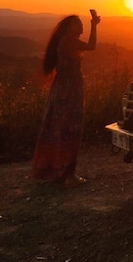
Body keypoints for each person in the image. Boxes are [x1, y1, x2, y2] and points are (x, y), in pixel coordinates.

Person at [32, 10, 100, 187]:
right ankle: (68, 175)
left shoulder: (64, 41)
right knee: (70, 130)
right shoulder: (69, 42)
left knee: (58, 129)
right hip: (69, 91)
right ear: (69, 27)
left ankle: (56, 170)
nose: (81, 25)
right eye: (78, 23)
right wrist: (94, 25)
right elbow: (93, 46)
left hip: (63, 89)